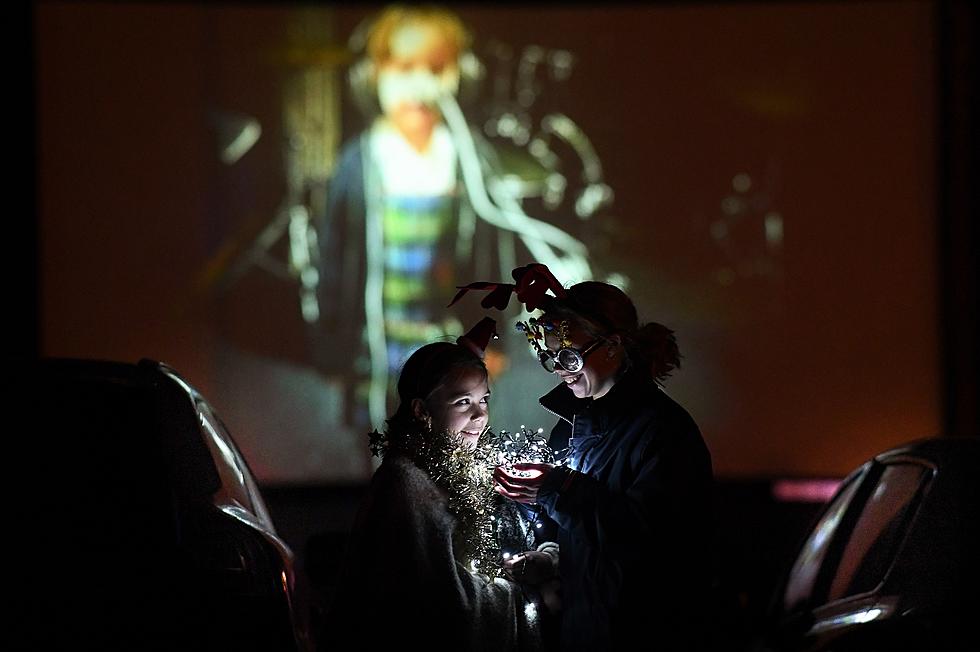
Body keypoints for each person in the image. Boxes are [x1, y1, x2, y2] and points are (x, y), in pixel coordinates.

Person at [313, 4, 592, 433]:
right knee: (384, 430)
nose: (421, 84)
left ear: (462, 74)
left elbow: (491, 258)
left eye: (437, 68)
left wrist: (493, 334)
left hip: (443, 332)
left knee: (451, 428)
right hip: (378, 336)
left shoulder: (468, 158)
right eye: (404, 67)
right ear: (373, 74)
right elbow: (334, 258)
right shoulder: (358, 163)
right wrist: (332, 346)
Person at [493, 278, 716, 651]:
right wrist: (550, 558)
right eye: (550, 357)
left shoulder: (664, 432)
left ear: (613, 347)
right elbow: (586, 538)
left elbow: (653, 541)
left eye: (569, 357)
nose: (560, 370)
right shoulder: (570, 431)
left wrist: (559, 489)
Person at [320, 318, 557, 651]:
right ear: (421, 409)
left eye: (484, 400)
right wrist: (515, 587)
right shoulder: (406, 482)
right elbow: (438, 602)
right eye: (463, 402)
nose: (480, 415)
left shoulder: (477, 470)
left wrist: (543, 558)